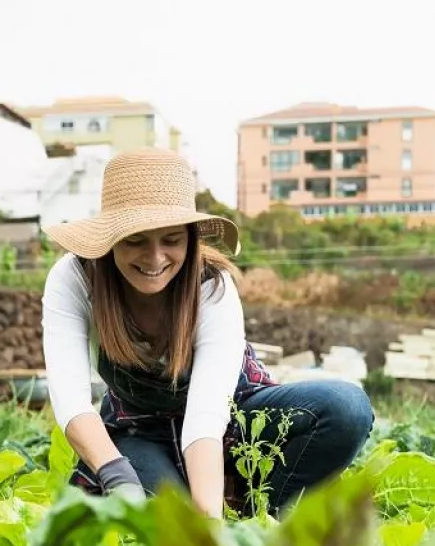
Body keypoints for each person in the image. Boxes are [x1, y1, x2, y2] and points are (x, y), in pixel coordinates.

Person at [40, 148, 375, 518]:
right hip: (140, 432)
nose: (154, 259)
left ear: (190, 238)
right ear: (111, 238)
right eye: (135, 240)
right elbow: (71, 399)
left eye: (170, 240)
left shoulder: (212, 286)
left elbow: (205, 418)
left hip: (231, 418)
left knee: (346, 407)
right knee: (170, 518)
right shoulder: (75, 277)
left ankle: (265, 518)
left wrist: (211, 529)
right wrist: (117, 476)